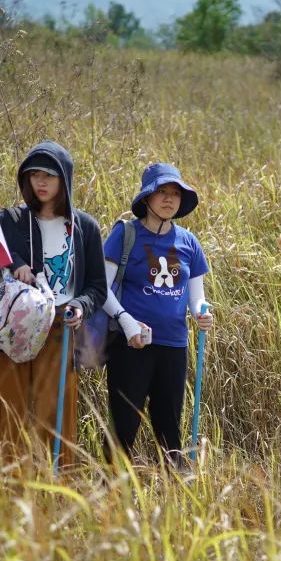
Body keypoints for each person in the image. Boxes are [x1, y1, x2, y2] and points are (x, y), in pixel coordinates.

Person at [0, 141, 107, 464]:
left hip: (60, 326)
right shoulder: (9, 219)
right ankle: (5, 488)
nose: (41, 182)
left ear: (64, 179)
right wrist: (16, 263)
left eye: (49, 175)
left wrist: (80, 306)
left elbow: (96, 287)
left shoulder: (85, 228)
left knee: (56, 413)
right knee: (6, 409)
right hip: (13, 326)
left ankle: (59, 488)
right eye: (34, 174)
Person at [101, 163, 213, 466]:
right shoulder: (126, 235)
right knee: (124, 425)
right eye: (161, 192)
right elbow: (102, 288)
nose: (169, 199)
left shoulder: (189, 243)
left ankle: (175, 490)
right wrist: (126, 322)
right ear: (146, 198)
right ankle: (111, 489)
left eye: (175, 193)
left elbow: (196, 298)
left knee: (169, 426)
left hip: (174, 345)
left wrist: (202, 313)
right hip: (131, 345)